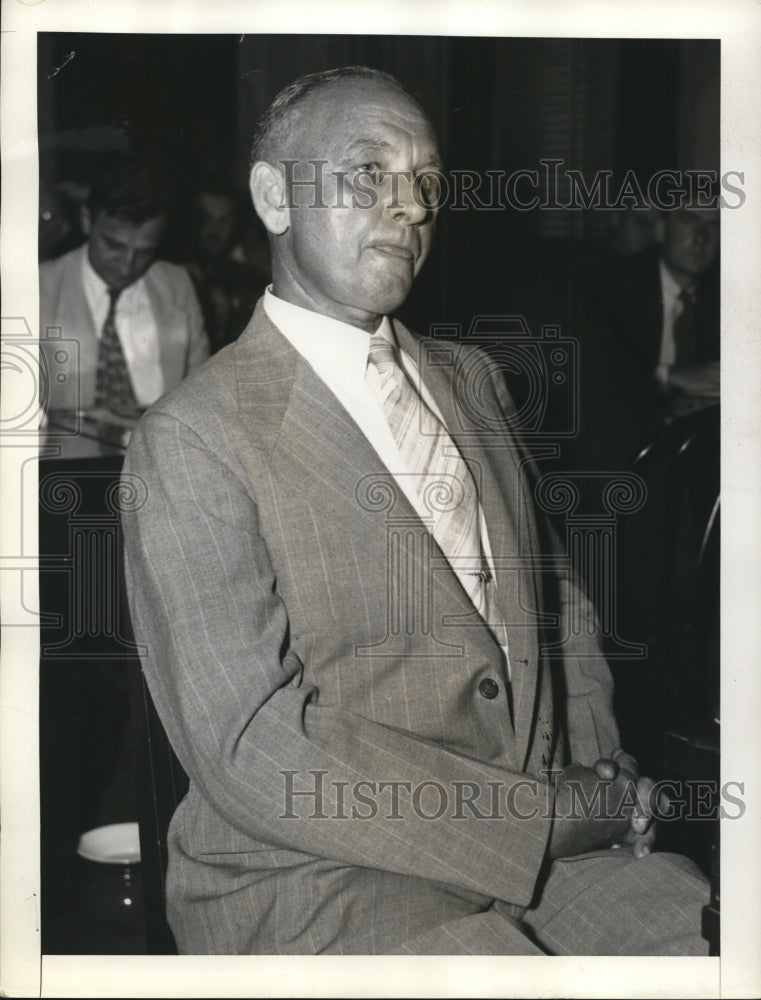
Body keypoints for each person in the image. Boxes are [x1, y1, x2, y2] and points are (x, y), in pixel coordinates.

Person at [121, 66, 709, 955]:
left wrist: (600, 773)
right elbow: (253, 748)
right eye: (368, 174)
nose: (410, 207)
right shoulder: (193, 438)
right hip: (324, 879)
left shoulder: (472, 380)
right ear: (274, 196)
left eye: (426, 182)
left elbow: (555, 603)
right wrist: (538, 818)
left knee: (705, 936)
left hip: (558, 844)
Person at [39, 158, 209, 419]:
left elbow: (202, 390)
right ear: (87, 221)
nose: (127, 266)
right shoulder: (39, 289)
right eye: (113, 246)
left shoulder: (177, 284)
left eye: (145, 251)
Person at [589, 203, 720, 417]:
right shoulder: (614, 286)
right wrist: (668, 377)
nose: (701, 238)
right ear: (661, 230)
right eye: (688, 220)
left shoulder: (726, 294)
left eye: (713, 226)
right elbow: (596, 373)